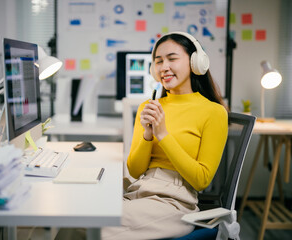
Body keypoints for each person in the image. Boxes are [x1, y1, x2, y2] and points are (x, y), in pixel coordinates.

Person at [56, 32, 228, 240]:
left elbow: (202, 180)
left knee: (87, 227)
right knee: (74, 218)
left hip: (173, 203)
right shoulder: (149, 107)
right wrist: (148, 134)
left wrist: (163, 134)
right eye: (158, 61)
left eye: (172, 59)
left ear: (195, 62)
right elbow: (136, 170)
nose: (164, 67)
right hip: (138, 191)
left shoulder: (213, 112)